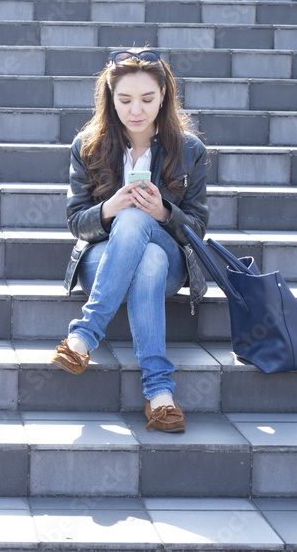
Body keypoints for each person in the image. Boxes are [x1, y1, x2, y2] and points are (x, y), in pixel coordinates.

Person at [51, 48, 209, 433]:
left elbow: (198, 229)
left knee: (146, 233)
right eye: (125, 100)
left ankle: (84, 336)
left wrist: (164, 213)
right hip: (101, 260)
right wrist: (109, 209)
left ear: (164, 97)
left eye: (147, 99)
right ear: (110, 97)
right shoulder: (88, 146)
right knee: (147, 259)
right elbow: (77, 222)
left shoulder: (189, 150)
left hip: (171, 260)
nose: (136, 110)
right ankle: (159, 394)